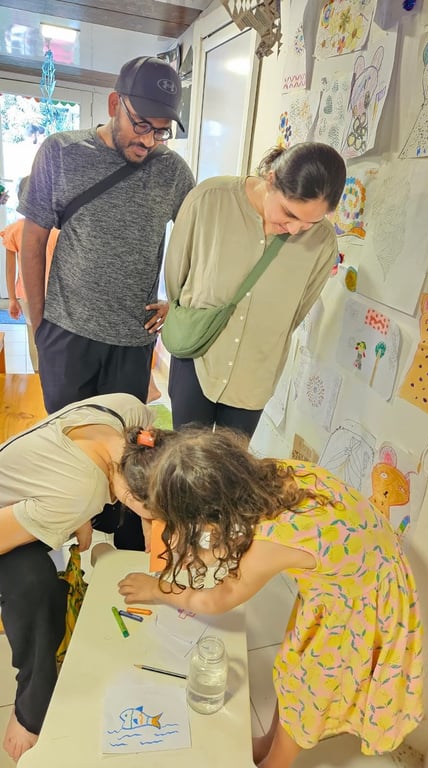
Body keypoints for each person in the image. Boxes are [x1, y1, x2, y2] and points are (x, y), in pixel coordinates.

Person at [118, 428, 424, 768]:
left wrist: (157, 590)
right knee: (295, 668)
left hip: (360, 606)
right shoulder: (268, 473)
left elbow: (219, 600)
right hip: (360, 574)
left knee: (308, 689)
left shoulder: (270, 542)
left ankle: (277, 761)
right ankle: (269, 742)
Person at [0, 392, 176, 762]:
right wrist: (71, 510)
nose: (156, 525)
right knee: (35, 587)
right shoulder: (80, 491)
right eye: (156, 515)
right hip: (5, 514)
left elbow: (70, 472)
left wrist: (80, 515)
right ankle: (31, 703)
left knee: (108, 518)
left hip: (34, 482)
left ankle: (91, 536)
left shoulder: (131, 413)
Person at [18, 56, 195, 414]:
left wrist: (178, 303)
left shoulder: (172, 171)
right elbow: (32, 241)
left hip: (132, 343)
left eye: (160, 131)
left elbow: (201, 241)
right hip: (66, 335)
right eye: (141, 125)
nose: (149, 141)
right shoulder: (61, 152)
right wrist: (41, 327)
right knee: (68, 445)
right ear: (115, 104)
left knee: (121, 449)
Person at [164, 142, 346, 437]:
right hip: (197, 356)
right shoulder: (210, 199)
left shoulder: (323, 244)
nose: (295, 229)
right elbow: (176, 274)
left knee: (233, 470)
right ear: (271, 179)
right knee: (182, 460)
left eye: (309, 222)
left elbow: (297, 311)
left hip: (255, 374)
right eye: (289, 213)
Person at [1, 176, 59, 372]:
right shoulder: (55, 229)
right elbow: (10, 268)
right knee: (48, 338)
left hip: (41, 296)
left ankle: (41, 375)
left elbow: (10, 270)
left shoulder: (56, 229)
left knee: (39, 337)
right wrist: (12, 299)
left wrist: (12, 299)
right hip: (42, 295)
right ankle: (46, 376)